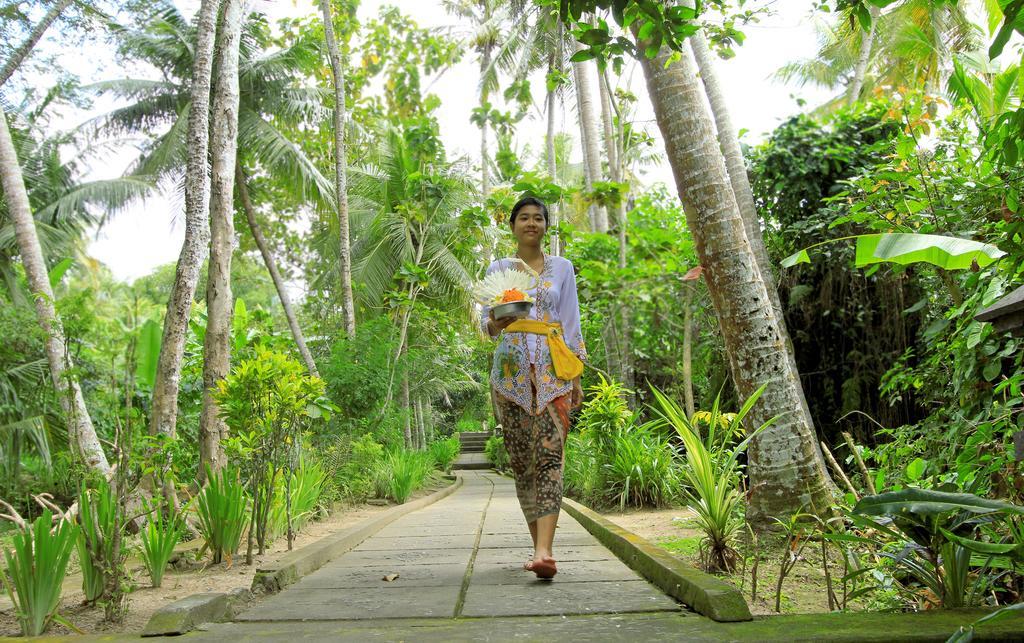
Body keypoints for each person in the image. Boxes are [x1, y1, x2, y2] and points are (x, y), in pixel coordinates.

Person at [480, 196, 587, 580]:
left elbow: (571, 323)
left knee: (551, 458)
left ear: (545, 226)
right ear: (512, 226)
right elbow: (485, 325)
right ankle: (538, 548)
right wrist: (497, 321)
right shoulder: (499, 269)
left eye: (538, 218)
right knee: (523, 463)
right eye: (523, 218)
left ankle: (545, 551)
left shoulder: (563, 269)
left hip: (553, 375)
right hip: (509, 377)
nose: (531, 223)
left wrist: (576, 377)